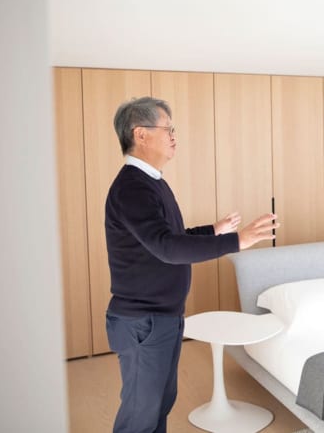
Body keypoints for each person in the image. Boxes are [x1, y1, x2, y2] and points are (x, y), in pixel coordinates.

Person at [104, 96, 279, 433]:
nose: (174, 137)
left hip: (162, 316)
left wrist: (213, 231)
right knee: (141, 415)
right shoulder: (133, 187)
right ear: (140, 134)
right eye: (168, 129)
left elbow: (171, 237)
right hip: (143, 321)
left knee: (159, 404)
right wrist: (237, 241)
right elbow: (167, 248)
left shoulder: (151, 181)